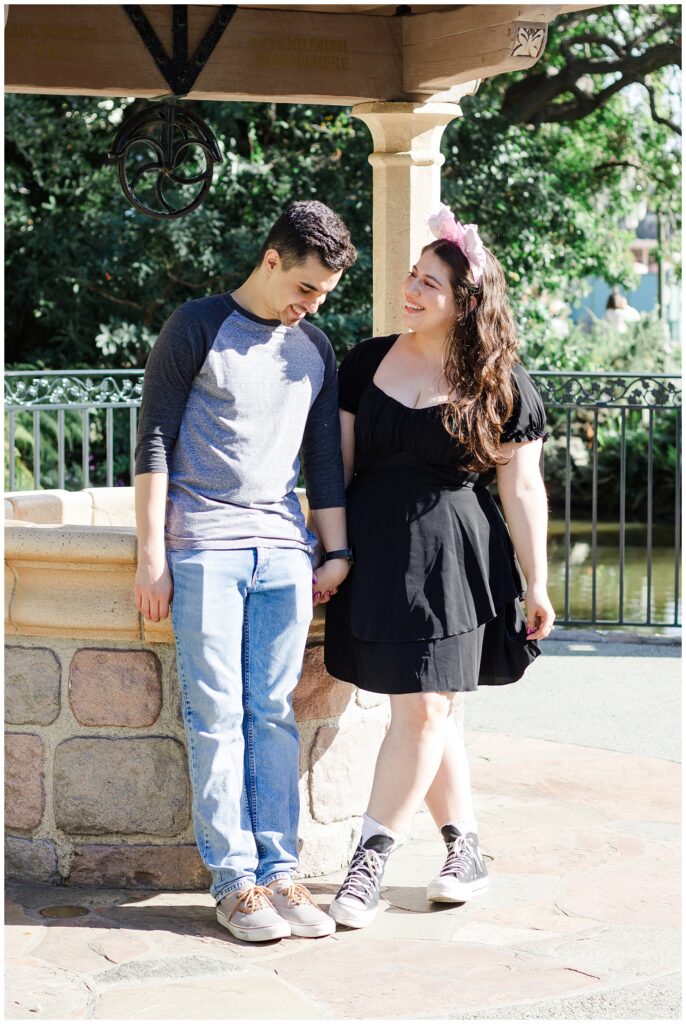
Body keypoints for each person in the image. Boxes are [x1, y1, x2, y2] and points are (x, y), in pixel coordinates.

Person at [324, 204, 555, 929]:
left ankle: (369, 860)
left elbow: (521, 487)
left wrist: (539, 579)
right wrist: (333, 547)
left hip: (457, 558)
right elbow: (338, 467)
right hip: (377, 554)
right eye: (413, 277)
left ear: (466, 303)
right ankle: (466, 850)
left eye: (431, 283)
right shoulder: (365, 363)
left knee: (425, 708)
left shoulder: (500, 382)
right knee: (428, 711)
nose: (412, 290)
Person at [134, 201, 356, 942]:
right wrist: (151, 556)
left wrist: (336, 550)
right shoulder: (195, 326)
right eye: (304, 288)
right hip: (203, 547)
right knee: (216, 715)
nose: (310, 305)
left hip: (282, 551)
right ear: (270, 260)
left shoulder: (314, 349)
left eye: (322, 295)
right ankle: (234, 883)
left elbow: (322, 462)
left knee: (272, 713)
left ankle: (280, 872)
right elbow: (155, 442)